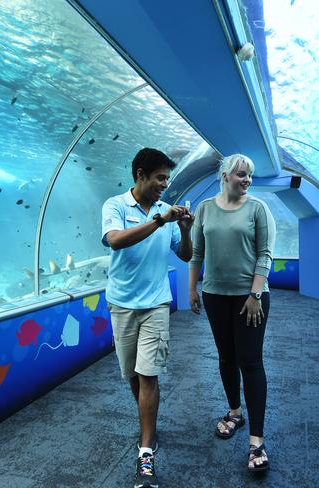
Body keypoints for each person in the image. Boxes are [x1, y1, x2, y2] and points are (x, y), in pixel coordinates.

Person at [101, 147, 193, 488]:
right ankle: (148, 426)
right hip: (122, 304)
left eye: (167, 179)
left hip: (156, 304)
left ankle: (145, 451)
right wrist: (160, 220)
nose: (164, 185)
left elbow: (184, 255)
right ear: (140, 175)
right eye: (159, 178)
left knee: (148, 374)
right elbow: (115, 242)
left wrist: (183, 229)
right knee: (132, 376)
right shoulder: (115, 206)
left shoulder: (166, 212)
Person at [188, 154, 276, 473]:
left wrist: (254, 294)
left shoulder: (257, 209)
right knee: (226, 358)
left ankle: (257, 441)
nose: (247, 180)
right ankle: (235, 412)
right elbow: (197, 253)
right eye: (241, 174)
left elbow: (265, 254)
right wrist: (192, 289)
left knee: (251, 362)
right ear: (225, 175)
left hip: (250, 298)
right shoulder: (205, 209)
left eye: (250, 175)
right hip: (215, 295)